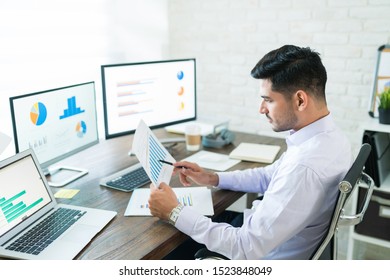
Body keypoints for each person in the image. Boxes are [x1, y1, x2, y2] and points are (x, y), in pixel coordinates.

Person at [148, 45, 353, 260]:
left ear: (300, 100)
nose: (261, 109)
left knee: (162, 251)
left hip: (258, 255)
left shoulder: (304, 167)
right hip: (267, 237)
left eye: (268, 99)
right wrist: (211, 177)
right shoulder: (330, 138)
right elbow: (270, 176)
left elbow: (244, 248)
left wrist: (174, 211)